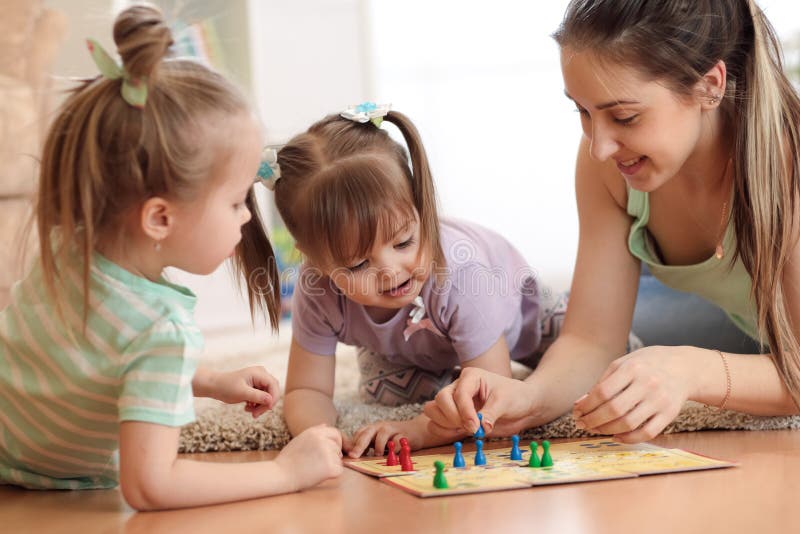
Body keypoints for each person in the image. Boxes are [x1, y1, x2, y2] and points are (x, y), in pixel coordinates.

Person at [0, 5, 342, 510]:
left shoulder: (67, 244)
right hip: (37, 480)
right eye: (234, 203)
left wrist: (208, 380)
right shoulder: (163, 332)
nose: (247, 219)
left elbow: (95, 354)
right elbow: (152, 485)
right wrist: (286, 471)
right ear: (159, 218)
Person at [424, 0, 800, 444]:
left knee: (658, 360)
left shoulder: (786, 162)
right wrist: (530, 399)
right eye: (583, 111)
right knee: (568, 323)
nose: (599, 146)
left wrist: (690, 371)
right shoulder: (608, 164)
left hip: (777, 333)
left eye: (624, 116)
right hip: (738, 320)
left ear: (709, 87)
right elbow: (591, 339)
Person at [266, 104, 550, 458]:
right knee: (387, 395)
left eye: (403, 242)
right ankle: (446, 371)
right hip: (412, 345)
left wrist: (420, 431)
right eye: (356, 265)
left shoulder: (463, 276)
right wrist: (321, 436)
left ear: (421, 208)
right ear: (314, 259)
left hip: (521, 313)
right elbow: (305, 390)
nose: (390, 271)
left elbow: (492, 395)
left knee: (573, 363)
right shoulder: (317, 287)